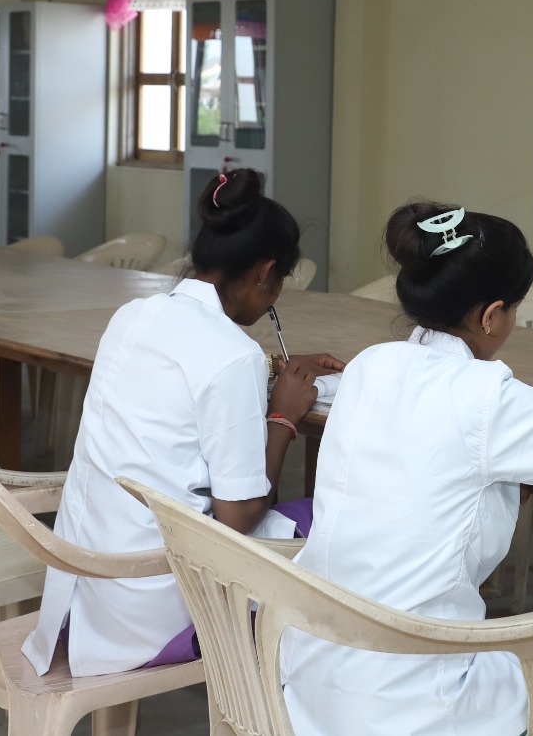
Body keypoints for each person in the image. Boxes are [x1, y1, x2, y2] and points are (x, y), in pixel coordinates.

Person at [280, 201, 533, 736]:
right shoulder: (487, 396)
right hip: (412, 697)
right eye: (514, 310)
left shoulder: (370, 365)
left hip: (313, 672)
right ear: (490, 315)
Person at [22, 168, 343, 677]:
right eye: (279, 283)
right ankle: (292, 700)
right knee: (339, 528)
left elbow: (186, 377)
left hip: (88, 583)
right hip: (156, 604)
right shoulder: (232, 355)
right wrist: (282, 418)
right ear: (265, 273)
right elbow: (239, 518)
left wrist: (264, 367)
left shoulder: (134, 314)